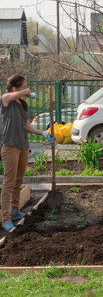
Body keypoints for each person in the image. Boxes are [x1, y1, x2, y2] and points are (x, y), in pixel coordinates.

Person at [1, 74, 55, 231]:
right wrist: (27, 92)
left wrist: (43, 133)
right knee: (8, 183)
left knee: (18, 181)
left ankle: (15, 211)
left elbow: (27, 127)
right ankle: (5, 219)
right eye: (24, 85)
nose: (27, 88)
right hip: (10, 146)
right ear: (15, 88)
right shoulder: (5, 100)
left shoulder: (23, 104)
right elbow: (13, 95)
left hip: (23, 146)